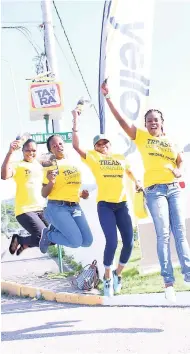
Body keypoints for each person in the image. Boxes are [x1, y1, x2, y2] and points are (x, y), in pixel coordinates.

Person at [101, 81, 190, 302]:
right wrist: (108, 97)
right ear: (146, 124)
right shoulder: (141, 137)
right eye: (149, 120)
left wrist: (178, 172)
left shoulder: (171, 141)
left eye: (155, 120)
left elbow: (180, 162)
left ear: (162, 123)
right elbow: (122, 121)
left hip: (173, 189)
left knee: (180, 232)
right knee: (163, 234)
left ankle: (188, 275)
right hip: (154, 191)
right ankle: (168, 282)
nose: (152, 123)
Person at [72, 109, 141, 297]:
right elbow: (76, 147)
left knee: (129, 242)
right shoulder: (94, 159)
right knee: (112, 241)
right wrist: (75, 121)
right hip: (105, 205)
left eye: (105, 143)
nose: (103, 146)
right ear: (95, 148)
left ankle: (119, 274)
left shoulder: (120, 158)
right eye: (99, 144)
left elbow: (129, 172)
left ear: (110, 145)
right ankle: (108, 278)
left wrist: (137, 183)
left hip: (122, 204)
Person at [39, 134, 93, 254]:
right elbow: (44, 193)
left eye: (60, 143)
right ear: (50, 150)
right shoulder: (49, 164)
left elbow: (69, 187)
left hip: (75, 206)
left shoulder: (72, 162)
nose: (58, 146)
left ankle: (55, 227)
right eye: (54, 145)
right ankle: (49, 235)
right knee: (75, 242)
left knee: (87, 241)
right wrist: (51, 181)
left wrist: (82, 194)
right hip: (57, 206)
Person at [1, 138, 48, 255]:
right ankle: (19, 239)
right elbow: (4, 175)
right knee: (42, 236)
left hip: (41, 208)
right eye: (28, 150)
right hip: (25, 210)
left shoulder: (40, 166)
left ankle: (25, 243)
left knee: (54, 238)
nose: (31, 153)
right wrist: (10, 152)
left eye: (34, 150)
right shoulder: (18, 165)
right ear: (22, 150)